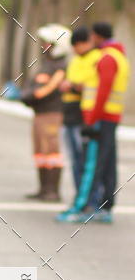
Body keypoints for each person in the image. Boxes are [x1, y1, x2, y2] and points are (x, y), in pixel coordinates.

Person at [57, 21, 130, 224]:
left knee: (93, 165)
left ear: (97, 37)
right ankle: (106, 208)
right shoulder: (119, 56)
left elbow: (102, 92)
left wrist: (91, 119)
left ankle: (84, 208)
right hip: (111, 117)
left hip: (100, 117)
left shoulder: (106, 58)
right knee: (107, 164)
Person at [22, 24, 69, 202]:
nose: (43, 46)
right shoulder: (48, 64)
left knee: (51, 151)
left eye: (47, 43)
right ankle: (43, 188)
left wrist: (27, 96)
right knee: (41, 151)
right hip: (40, 113)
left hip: (51, 113)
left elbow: (45, 90)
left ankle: (52, 190)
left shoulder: (60, 66)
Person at [59, 27, 100, 192]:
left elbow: (91, 85)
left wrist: (73, 86)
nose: (75, 50)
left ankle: (89, 199)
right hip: (69, 115)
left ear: (83, 43)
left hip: (82, 115)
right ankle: (79, 197)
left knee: (84, 159)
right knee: (75, 160)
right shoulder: (76, 59)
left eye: (76, 46)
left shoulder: (96, 58)